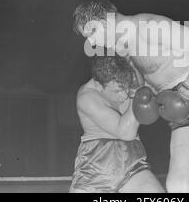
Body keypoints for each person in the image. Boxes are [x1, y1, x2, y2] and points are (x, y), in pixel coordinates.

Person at [73, 0, 189, 193]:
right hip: (187, 103)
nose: (91, 42)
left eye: (91, 33)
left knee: (179, 185)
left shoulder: (149, 27)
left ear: (102, 23)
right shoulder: (126, 46)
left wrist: (187, 93)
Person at [69, 54, 164, 193]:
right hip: (96, 163)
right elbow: (125, 132)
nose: (123, 95)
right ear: (98, 85)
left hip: (131, 159)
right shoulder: (87, 97)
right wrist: (135, 95)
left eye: (125, 88)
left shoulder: (132, 77)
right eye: (117, 91)